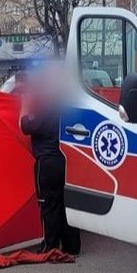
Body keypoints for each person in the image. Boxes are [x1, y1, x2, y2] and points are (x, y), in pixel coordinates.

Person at [19, 67, 80, 255]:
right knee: (65, 203)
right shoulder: (69, 106)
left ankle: (50, 246)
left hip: (47, 162)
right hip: (67, 161)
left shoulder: (45, 107)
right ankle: (72, 246)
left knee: (48, 204)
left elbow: (25, 126)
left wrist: (24, 105)